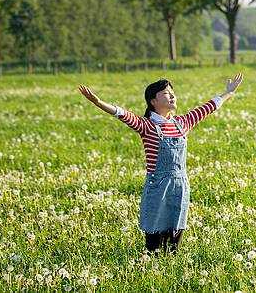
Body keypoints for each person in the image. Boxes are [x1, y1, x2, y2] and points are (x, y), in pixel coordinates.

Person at [78, 73, 243, 254]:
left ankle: (170, 265)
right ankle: (152, 264)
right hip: (158, 186)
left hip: (180, 185)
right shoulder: (146, 126)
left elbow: (208, 107)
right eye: (165, 93)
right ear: (153, 101)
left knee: (176, 232)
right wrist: (98, 102)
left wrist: (228, 93)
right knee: (154, 237)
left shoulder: (182, 122)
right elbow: (122, 114)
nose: (172, 96)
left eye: (172, 92)